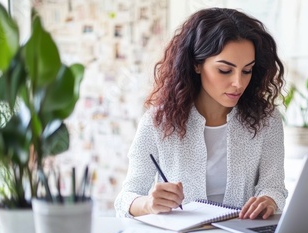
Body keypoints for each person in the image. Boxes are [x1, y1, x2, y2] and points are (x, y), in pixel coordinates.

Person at [114, 7, 287, 220]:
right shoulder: (158, 121)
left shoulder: (266, 119)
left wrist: (268, 200)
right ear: (197, 64)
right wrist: (149, 204)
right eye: (225, 70)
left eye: (247, 70)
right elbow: (125, 198)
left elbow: (275, 187)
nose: (238, 83)